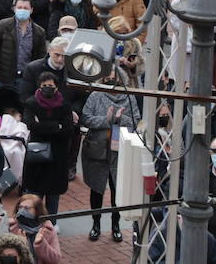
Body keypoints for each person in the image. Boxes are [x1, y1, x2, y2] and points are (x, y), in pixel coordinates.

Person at [80, 66, 139, 242]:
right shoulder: (96, 95)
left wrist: (120, 120)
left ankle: (116, 225)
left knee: (117, 191)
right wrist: (106, 120)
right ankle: (95, 225)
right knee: (96, 190)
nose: (111, 80)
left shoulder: (129, 97)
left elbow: (135, 121)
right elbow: (86, 118)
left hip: (118, 151)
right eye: (108, 77)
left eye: (115, 77)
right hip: (97, 150)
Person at [20, 70, 74, 216]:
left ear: (56, 87)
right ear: (39, 86)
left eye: (50, 85)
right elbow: (29, 123)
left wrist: (42, 125)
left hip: (57, 157)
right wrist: (56, 126)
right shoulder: (31, 103)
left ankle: (51, 223)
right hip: (37, 156)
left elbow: (68, 129)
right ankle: (32, 221)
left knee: (53, 195)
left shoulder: (64, 105)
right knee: (34, 195)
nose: (47, 88)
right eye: (44, 85)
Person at [8, 195, 60, 264]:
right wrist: (21, 246)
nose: (22, 211)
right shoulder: (11, 228)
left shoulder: (48, 230)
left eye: (27, 208)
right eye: (20, 207)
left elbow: (55, 260)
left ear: (37, 210)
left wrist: (41, 244)